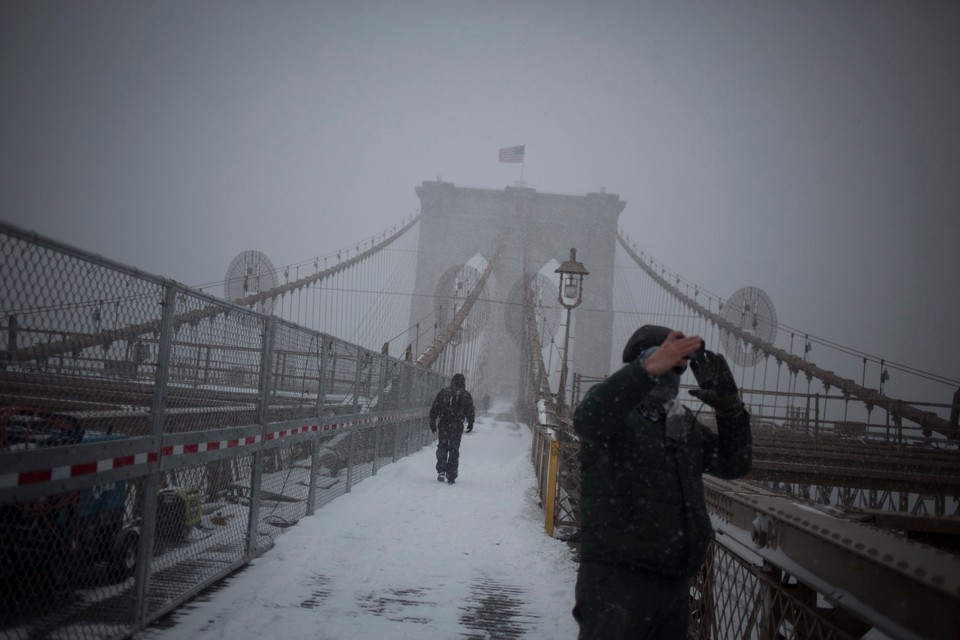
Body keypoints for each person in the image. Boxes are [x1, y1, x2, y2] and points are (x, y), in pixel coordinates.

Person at [571, 325, 752, 639]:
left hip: (674, 582)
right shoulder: (617, 414)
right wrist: (646, 371)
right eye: (666, 359)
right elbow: (587, 421)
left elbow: (733, 464)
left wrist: (731, 409)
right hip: (617, 578)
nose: (674, 370)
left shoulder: (683, 425)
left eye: (680, 364)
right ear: (642, 362)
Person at [429, 373, 475, 484]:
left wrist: (432, 421)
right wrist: (470, 422)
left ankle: (441, 470)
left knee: (442, 447)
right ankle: (451, 475)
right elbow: (470, 410)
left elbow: (435, 408)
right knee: (454, 450)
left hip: (444, 424)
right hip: (457, 426)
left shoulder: (443, 393)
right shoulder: (465, 395)